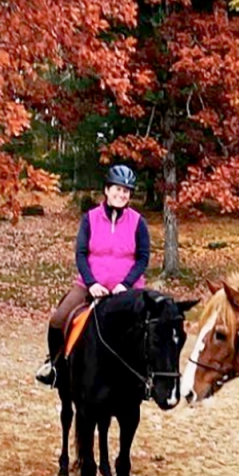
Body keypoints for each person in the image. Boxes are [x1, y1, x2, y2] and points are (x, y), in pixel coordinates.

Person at [35, 165, 150, 386]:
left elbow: (143, 258)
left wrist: (126, 284)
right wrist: (91, 283)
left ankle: (147, 377)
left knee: (151, 325)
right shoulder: (90, 219)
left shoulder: (138, 222)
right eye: (117, 189)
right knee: (58, 318)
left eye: (126, 191)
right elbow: (81, 254)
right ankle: (55, 365)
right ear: (107, 190)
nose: (121, 194)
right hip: (90, 285)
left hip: (126, 290)